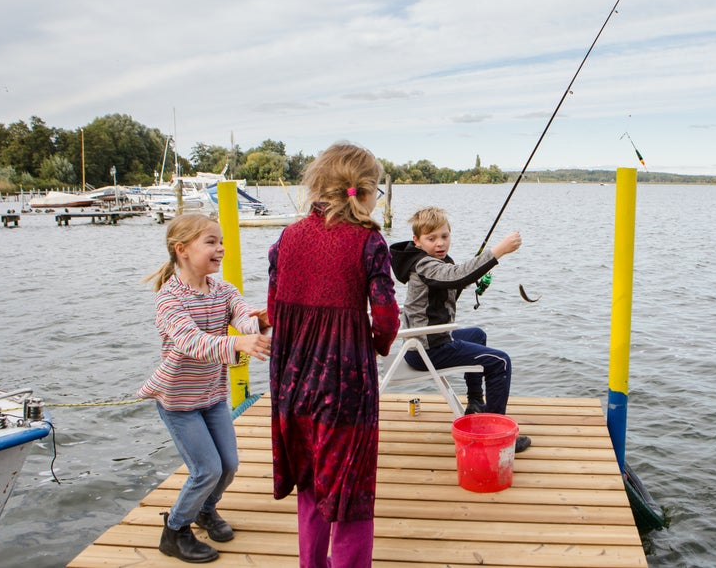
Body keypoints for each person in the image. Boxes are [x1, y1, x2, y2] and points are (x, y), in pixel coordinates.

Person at [267, 142, 399, 568]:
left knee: (310, 481)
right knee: (350, 490)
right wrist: (377, 345)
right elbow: (385, 316)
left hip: (291, 381)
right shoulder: (369, 242)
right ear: (365, 191)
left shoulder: (285, 238)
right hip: (346, 384)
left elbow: (273, 310)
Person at [139, 213, 271, 563]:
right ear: (182, 250)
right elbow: (192, 343)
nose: (221, 248)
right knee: (206, 469)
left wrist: (258, 323)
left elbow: (242, 314)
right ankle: (176, 530)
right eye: (211, 242)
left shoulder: (224, 290)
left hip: (212, 396)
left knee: (228, 465)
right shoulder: (169, 300)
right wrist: (240, 345)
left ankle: (205, 509)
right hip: (178, 402)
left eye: (221, 241)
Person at [389, 206, 531, 453]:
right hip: (428, 349)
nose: (440, 243)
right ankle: (498, 437)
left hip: (424, 342)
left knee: (477, 334)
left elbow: (452, 283)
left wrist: (474, 276)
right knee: (501, 361)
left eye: (444, 236)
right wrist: (498, 252)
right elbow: (454, 276)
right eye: (431, 239)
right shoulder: (424, 265)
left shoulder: (432, 262)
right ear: (417, 241)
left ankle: (475, 403)